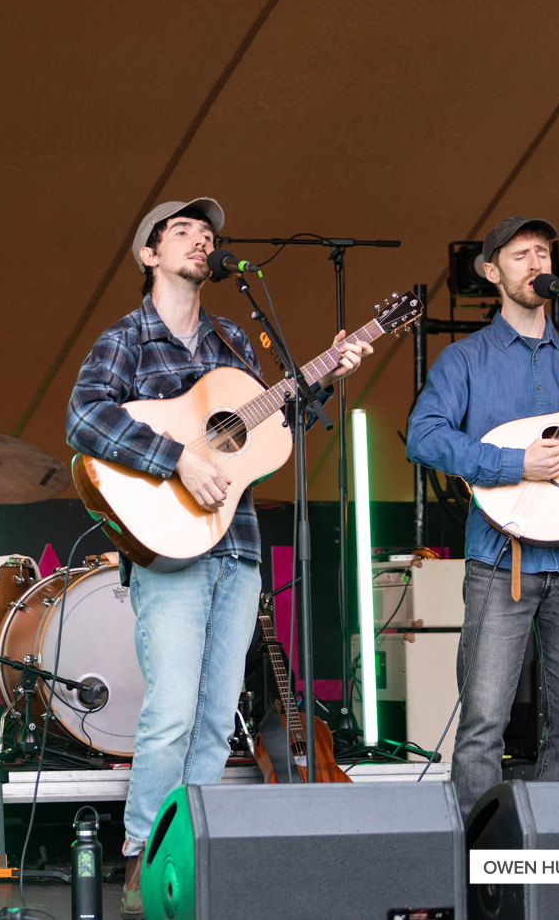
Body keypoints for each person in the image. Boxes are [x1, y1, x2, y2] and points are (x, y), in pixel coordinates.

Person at [66, 198, 370, 918]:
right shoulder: (126, 337)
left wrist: (325, 373)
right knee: (170, 712)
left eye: (208, 234)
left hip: (238, 546)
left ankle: (193, 856)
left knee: (213, 719)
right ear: (149, 254)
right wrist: (176, 458)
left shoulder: (233, 337)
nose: (202, 241)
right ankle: (142, 859)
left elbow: (264, 428)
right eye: (184, 231)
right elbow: (84, 415)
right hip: (169, 546)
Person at [406, 215, 559, 816]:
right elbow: (423, 437)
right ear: (491, 272)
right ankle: (476, 852)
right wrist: (514, 464)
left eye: (543, 252)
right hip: (499, 560)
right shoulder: (464, 359)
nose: (537, 263)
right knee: (483, 721)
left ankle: (557, 849)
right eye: (520, 255)